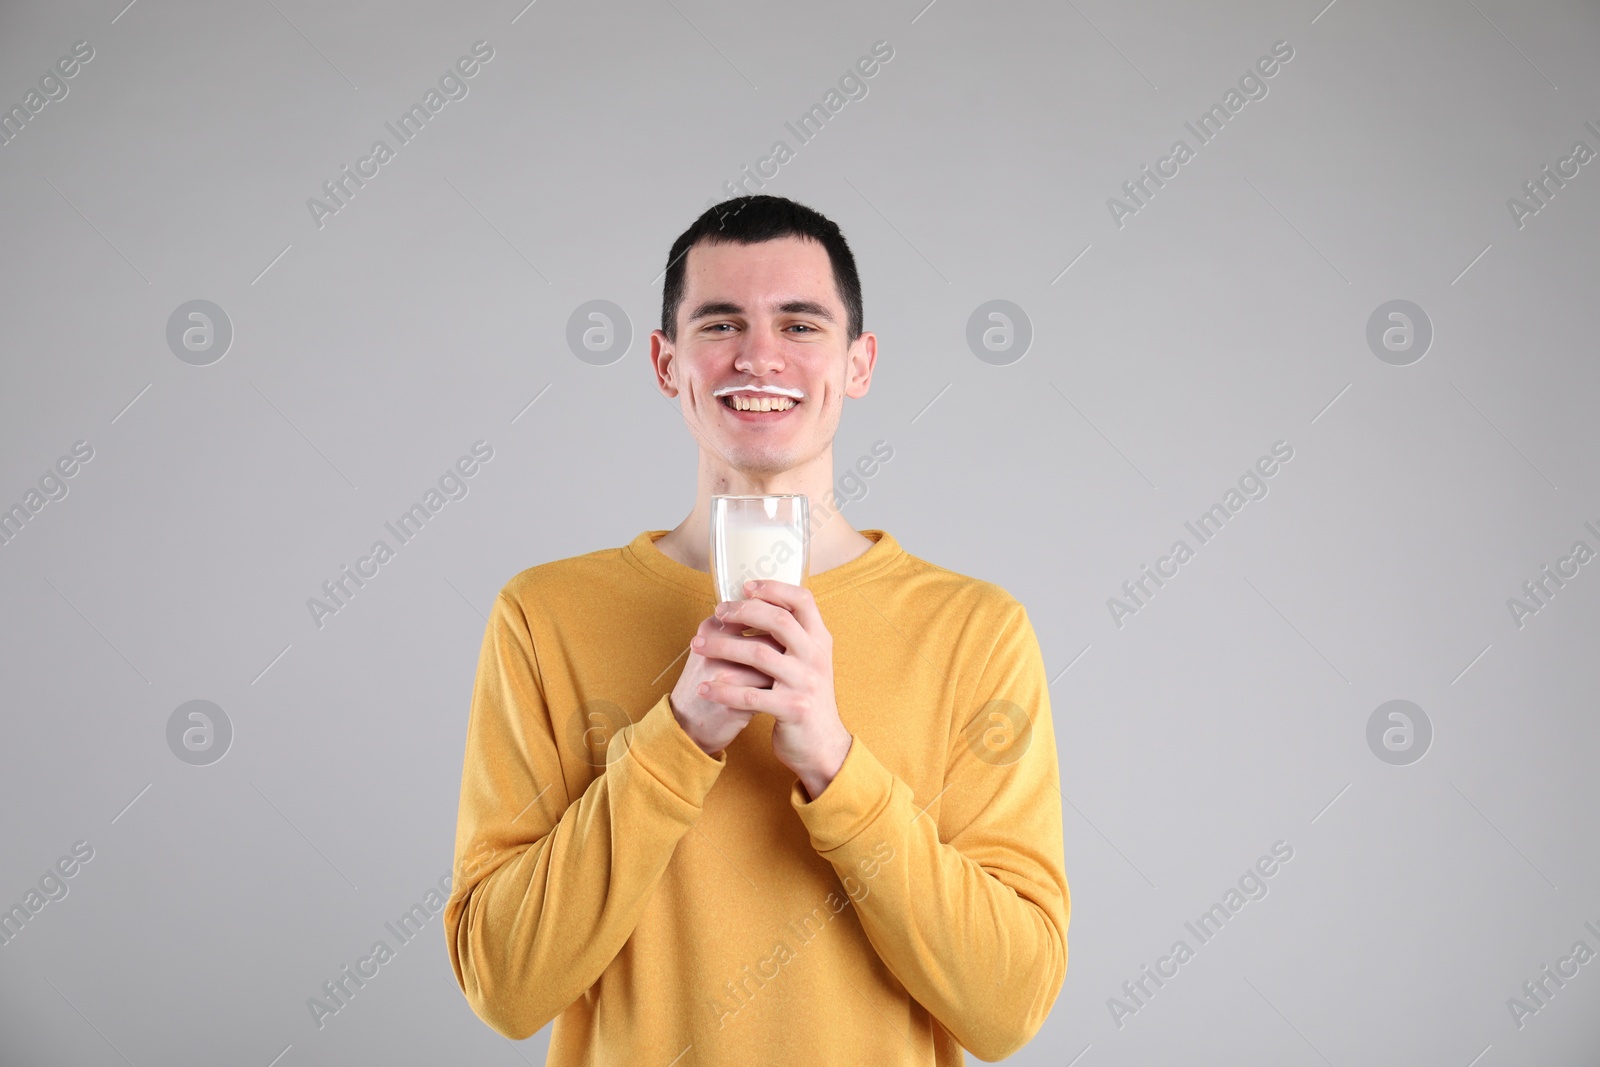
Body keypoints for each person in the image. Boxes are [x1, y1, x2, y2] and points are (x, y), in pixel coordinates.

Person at [443, 194, 1069, 1064]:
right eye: (721, 322)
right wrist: (677, 739)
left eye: (801, 324)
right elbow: (505, 986)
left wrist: (835, 762)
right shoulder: (543, 617)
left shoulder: (975, 629)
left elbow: (1008, 1006)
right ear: (668, 363)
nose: (760, 354)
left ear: (859, 363)